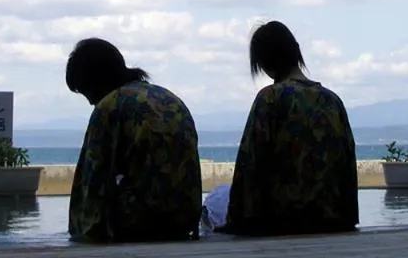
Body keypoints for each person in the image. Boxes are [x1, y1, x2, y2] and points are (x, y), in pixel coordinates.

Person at [220, 21, 358, 236]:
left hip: (282, 222)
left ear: (264, 61)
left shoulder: (270, 98)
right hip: (334, 220)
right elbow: (347, 164)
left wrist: (237, 220)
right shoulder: (332, 100)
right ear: (296, 51)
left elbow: (251, 165)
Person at [64, 38, 203, 243]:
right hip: (185, 219)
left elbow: (91, 181)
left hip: (139, 224)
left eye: (86, 92)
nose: (91, 102)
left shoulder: (110, 106)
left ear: (94, 82)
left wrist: (79, 231)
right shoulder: (168, 98)